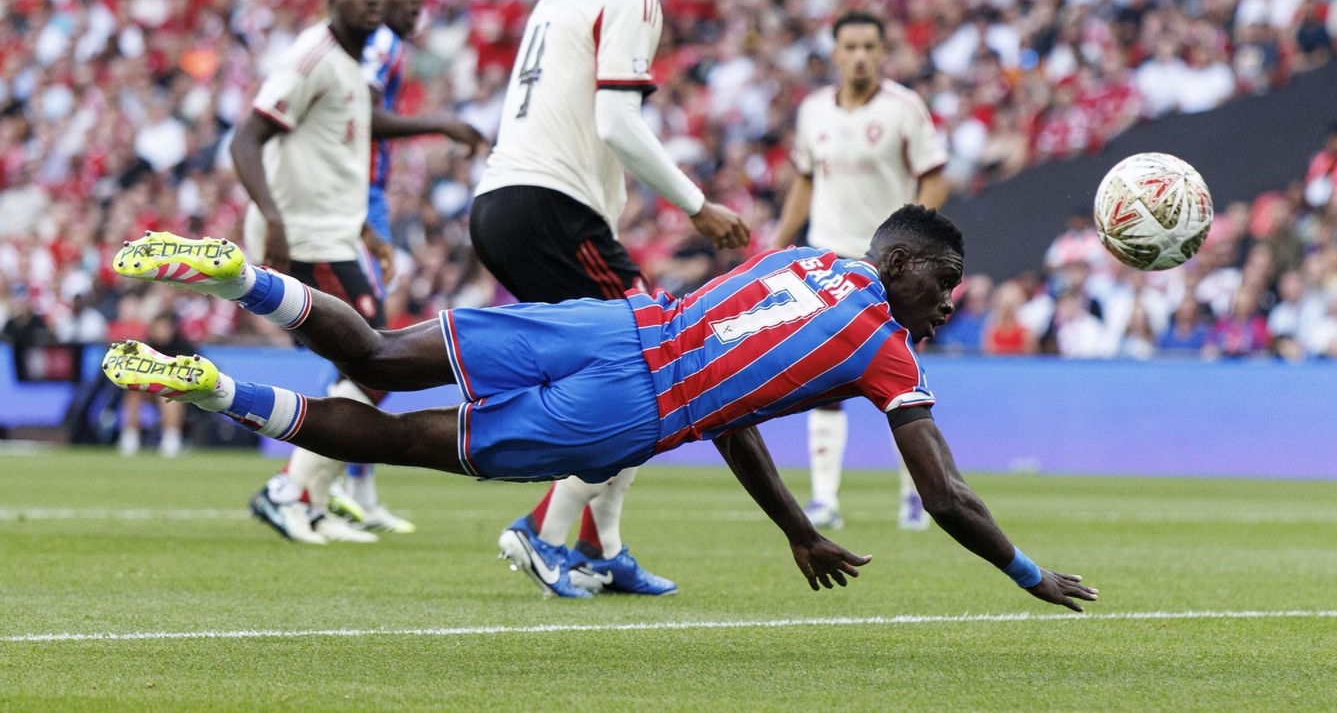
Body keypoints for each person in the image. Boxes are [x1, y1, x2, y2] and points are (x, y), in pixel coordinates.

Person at [104, 210, 1099, 611]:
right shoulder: (886, 352)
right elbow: (947, 494)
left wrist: (796, 525)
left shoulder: (804, 258)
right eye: (944, 281)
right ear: (900, 263)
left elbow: (737, 407)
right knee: (404, 439)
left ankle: (237, 276)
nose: (950, 301)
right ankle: (215, 387)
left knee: (372, 353)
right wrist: (1027, 571)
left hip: (607, 324)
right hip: (628, 408)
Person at [469, 0, 751, 596]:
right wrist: (696, 203)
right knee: (654, 365)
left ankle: (601, 546)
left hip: (504, 202)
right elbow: (616, 123)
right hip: (548, 207)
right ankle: (544, 530)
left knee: (630, 373)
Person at [229, 0, 478, 545]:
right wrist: (273, 218)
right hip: (305, 235)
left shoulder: (349, 64)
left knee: (368, 366)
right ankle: (292, 491)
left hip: (336, 232)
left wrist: (365, 229)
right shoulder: (312, 56)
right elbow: (246, 137)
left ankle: (311, 497)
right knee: (377, 364)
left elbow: (335, 159)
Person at [771, 10, 949, 532]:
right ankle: (824, 498)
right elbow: (805, 179)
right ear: (835, 53)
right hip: (828, 260)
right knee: (823, 377)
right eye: (850, 47)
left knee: (901, 379)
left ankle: (915, 495)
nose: (860, 57)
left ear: (883, 52)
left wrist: (914, 241)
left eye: (870, 47)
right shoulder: (813, 112)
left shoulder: (904, 109)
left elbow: (935, 177)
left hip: (890, 265)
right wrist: (780, 241)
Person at [326, 0, 485, 535]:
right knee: (368, 348)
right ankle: (304, 485)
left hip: (362, 198)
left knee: (363, 349)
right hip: (350, 197)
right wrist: (439, 122)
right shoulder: (381, 44)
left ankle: (351, 487)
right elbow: (364, 115)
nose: (413, 0)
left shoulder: (380, 45)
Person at [117, 311, 191, 458]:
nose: (161, 332)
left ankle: (171, 440)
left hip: (181, 394)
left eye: (165, 328)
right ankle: (130, 438)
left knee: (168, 394)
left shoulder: (184, 348)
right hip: (151, 390)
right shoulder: (145, 349)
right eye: (158, 327)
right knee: (133, 392)